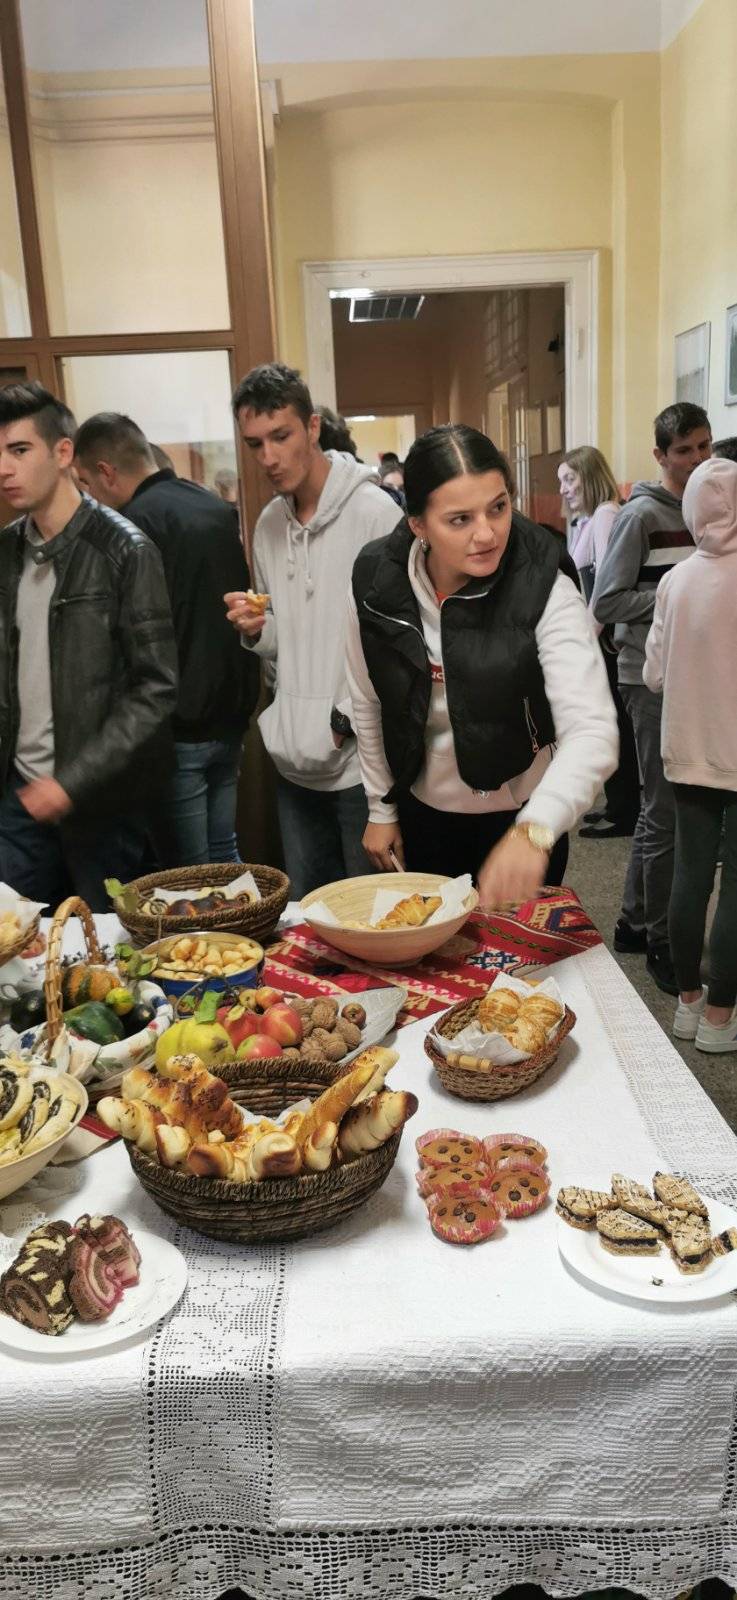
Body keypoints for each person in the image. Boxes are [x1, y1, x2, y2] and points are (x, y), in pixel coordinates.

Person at [345, 424, 618, 905]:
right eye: (459, 520)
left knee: (524, 972)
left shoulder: (544, 584)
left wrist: (535, 829)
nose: (487, 534)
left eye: (498, 507)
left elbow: (592, 729)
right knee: (434, 969)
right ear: (418, 526)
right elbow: (367, 700)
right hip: (424, 816)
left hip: (525, 815)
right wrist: (380, 808)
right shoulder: (376, 582)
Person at [225, 362, 400, 898]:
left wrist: (349, 721)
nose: (269, 458)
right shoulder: (268, 525)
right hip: (292, 762)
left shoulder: (376, 515)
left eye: (281, 436)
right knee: (310, 920)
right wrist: (258, 631)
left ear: (313, 427)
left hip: (360, 767)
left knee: (372, 921)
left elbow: (400, 647)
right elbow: (284, 646)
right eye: (255, 444)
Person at [0, 383, 177, 910]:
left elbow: (156, 690)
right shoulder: (6, 551)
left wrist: (71, 782)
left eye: (18, 450)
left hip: (102, 802)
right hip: (19, 798)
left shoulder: (125, 549)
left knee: (108, 961)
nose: (4, 467)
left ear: (62, 453)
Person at [74, 413, 260, 867]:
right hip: (232, 712)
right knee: (223, 851)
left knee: (188, 872)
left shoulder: (131, 528)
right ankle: (244, 934)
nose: (88, 498)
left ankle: (211, 940)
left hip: (177, 725)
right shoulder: (213, 505)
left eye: (85, 484)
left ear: (106, 472)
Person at [593, 402, 712, 993]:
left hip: (692, 677)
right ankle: (661, 939)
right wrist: (673, 598)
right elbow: (606, 602)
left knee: (660, 810)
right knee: (662, 811)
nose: (696, 460)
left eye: (704, 448)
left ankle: (635, 920)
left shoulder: (710, 510)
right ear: (661, 456)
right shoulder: (640, 515)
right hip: (646, 677)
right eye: (684, 450)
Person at [643, 457, 737, 1051]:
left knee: (689, 876)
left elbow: (653, 675)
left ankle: (688, 1002)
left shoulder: (676, 580)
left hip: (686, 747)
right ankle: (722, 1019)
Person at [558, 445, 639, 840]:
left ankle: (624, 811)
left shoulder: (607, 514)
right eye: (561, 481)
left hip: (602, 641)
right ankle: (617, 802)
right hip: (593, 636)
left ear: (589, 476)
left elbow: (606, 588)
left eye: (570, 479)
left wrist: (584, 640)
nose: (565, 488)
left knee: (614, 727)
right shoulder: (590, 519)